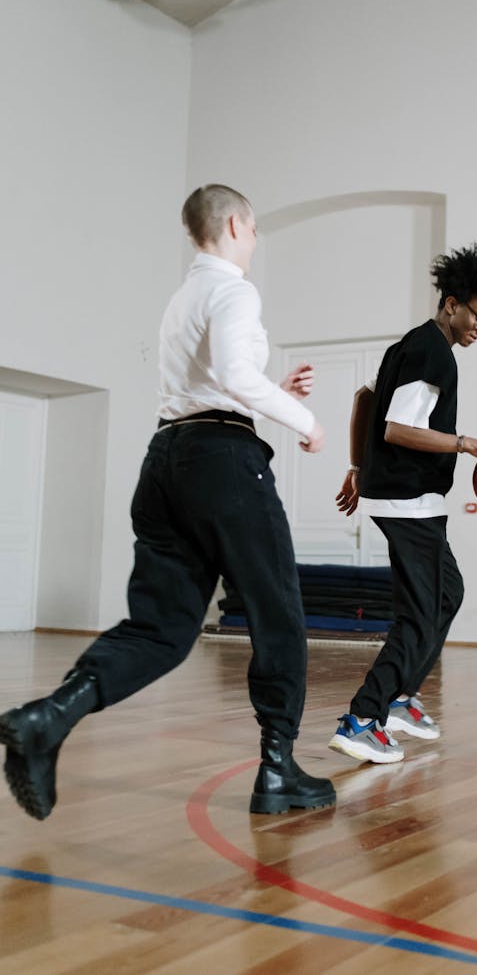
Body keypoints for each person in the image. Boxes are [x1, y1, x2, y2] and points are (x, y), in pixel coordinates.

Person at [0, 184, 335, 818]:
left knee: (161, 628)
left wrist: (271, 389)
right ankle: (277, 770)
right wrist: (303, 420)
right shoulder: (236, 290)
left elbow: (213, 384)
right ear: (236, 224)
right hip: (223, 463)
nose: (257, 239)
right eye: (256, 228)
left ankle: (49, 716)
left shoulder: (184, 297)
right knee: (278, 612)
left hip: (165, 463)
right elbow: (232, 379)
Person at [329, 243, 477, 764]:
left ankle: (400, 698)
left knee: (447, 594)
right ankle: (364, 717)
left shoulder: (411, 345)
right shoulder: (433, 352)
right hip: (408, 500)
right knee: (419, 616)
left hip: (408, 498)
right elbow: (396, 427)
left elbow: (364, 400)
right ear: (451, 303)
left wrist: (356, 466)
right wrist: (468, 443)